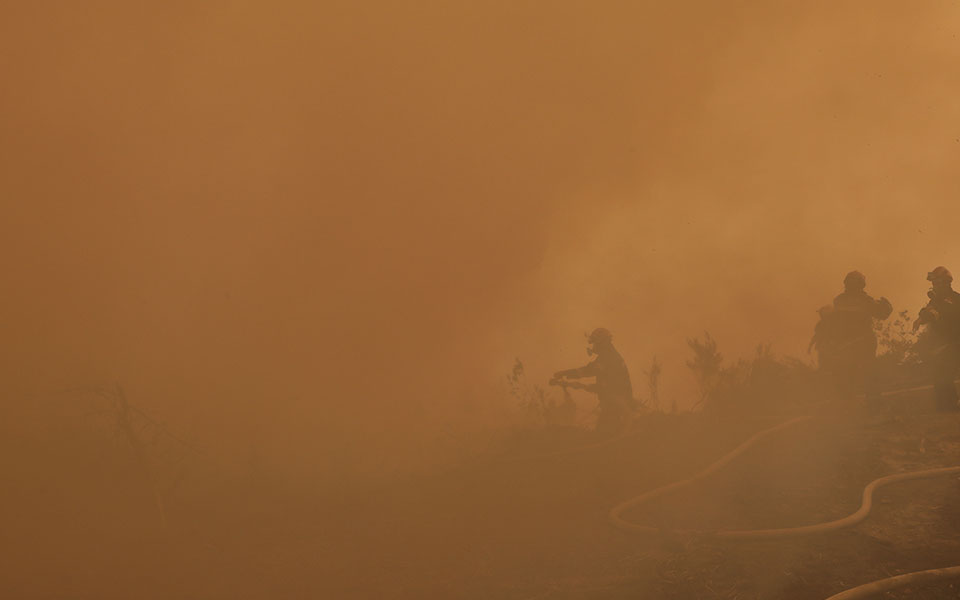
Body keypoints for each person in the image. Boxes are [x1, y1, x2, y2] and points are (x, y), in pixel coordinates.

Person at [552, 328, 635, 435]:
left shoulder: (608, 358)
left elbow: (587, 371)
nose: (594, 346)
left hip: (615, 407)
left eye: (595, 343)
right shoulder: (610, 356)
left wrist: (564, 373)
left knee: (603, 435)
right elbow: (605, 385)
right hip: (617, 405)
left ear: (602, 343)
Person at [830, 271, 892, 403]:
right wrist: (887, 306)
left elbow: (835, 322)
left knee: (849, 375)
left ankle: (848, 406)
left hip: (850, 343)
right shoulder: (864, 300)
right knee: (868, 374)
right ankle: (873, 406)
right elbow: (882, 313)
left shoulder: (839, 300)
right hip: (862, 341)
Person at [913, 266, 960, 411]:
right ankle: (946, 408)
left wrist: (933, 314)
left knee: (945, 374)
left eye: (938, 283)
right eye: (934, 283)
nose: (935, 286)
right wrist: (920, 318)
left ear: (946, 282)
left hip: (955, 342)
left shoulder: (955, 299)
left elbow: (945, 314)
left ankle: (951, 406)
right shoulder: (935, 301)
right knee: (940, 377)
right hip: (943, 345)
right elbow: (927, 312)